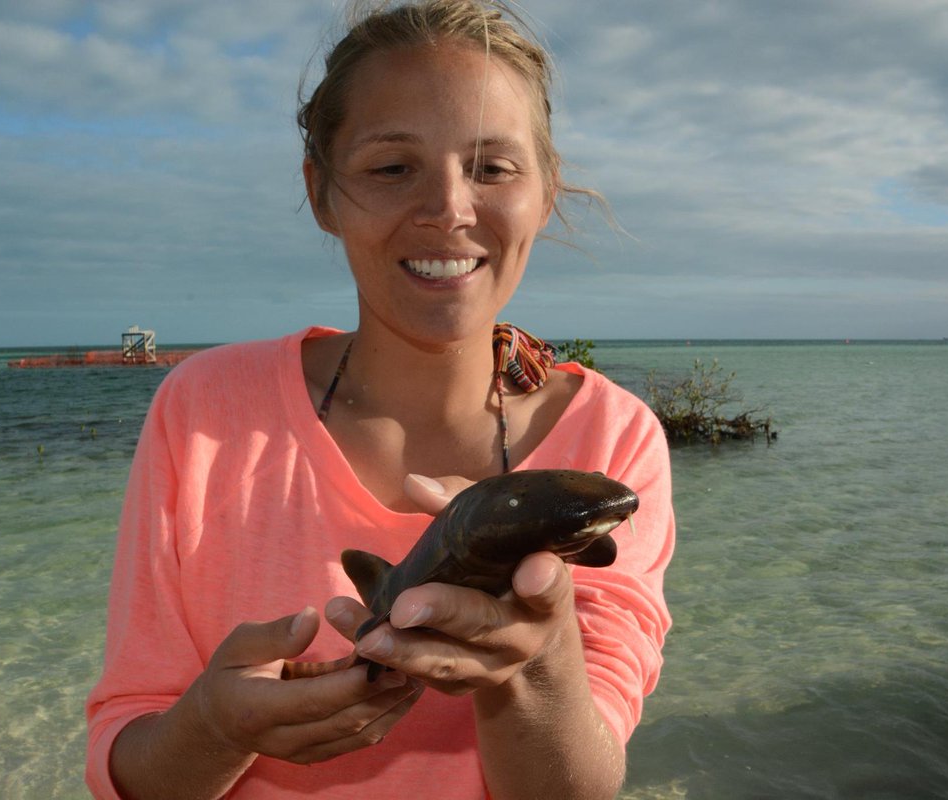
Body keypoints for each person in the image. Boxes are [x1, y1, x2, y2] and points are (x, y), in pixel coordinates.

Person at [84, 1, 675, 798]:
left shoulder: (612, 438)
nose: (448, 208)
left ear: (544, 191)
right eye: (392, 168)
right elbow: (132, 753)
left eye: (493, 168)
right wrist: (215, 729)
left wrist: (532, 664)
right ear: (321, 193)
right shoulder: (203, 413)